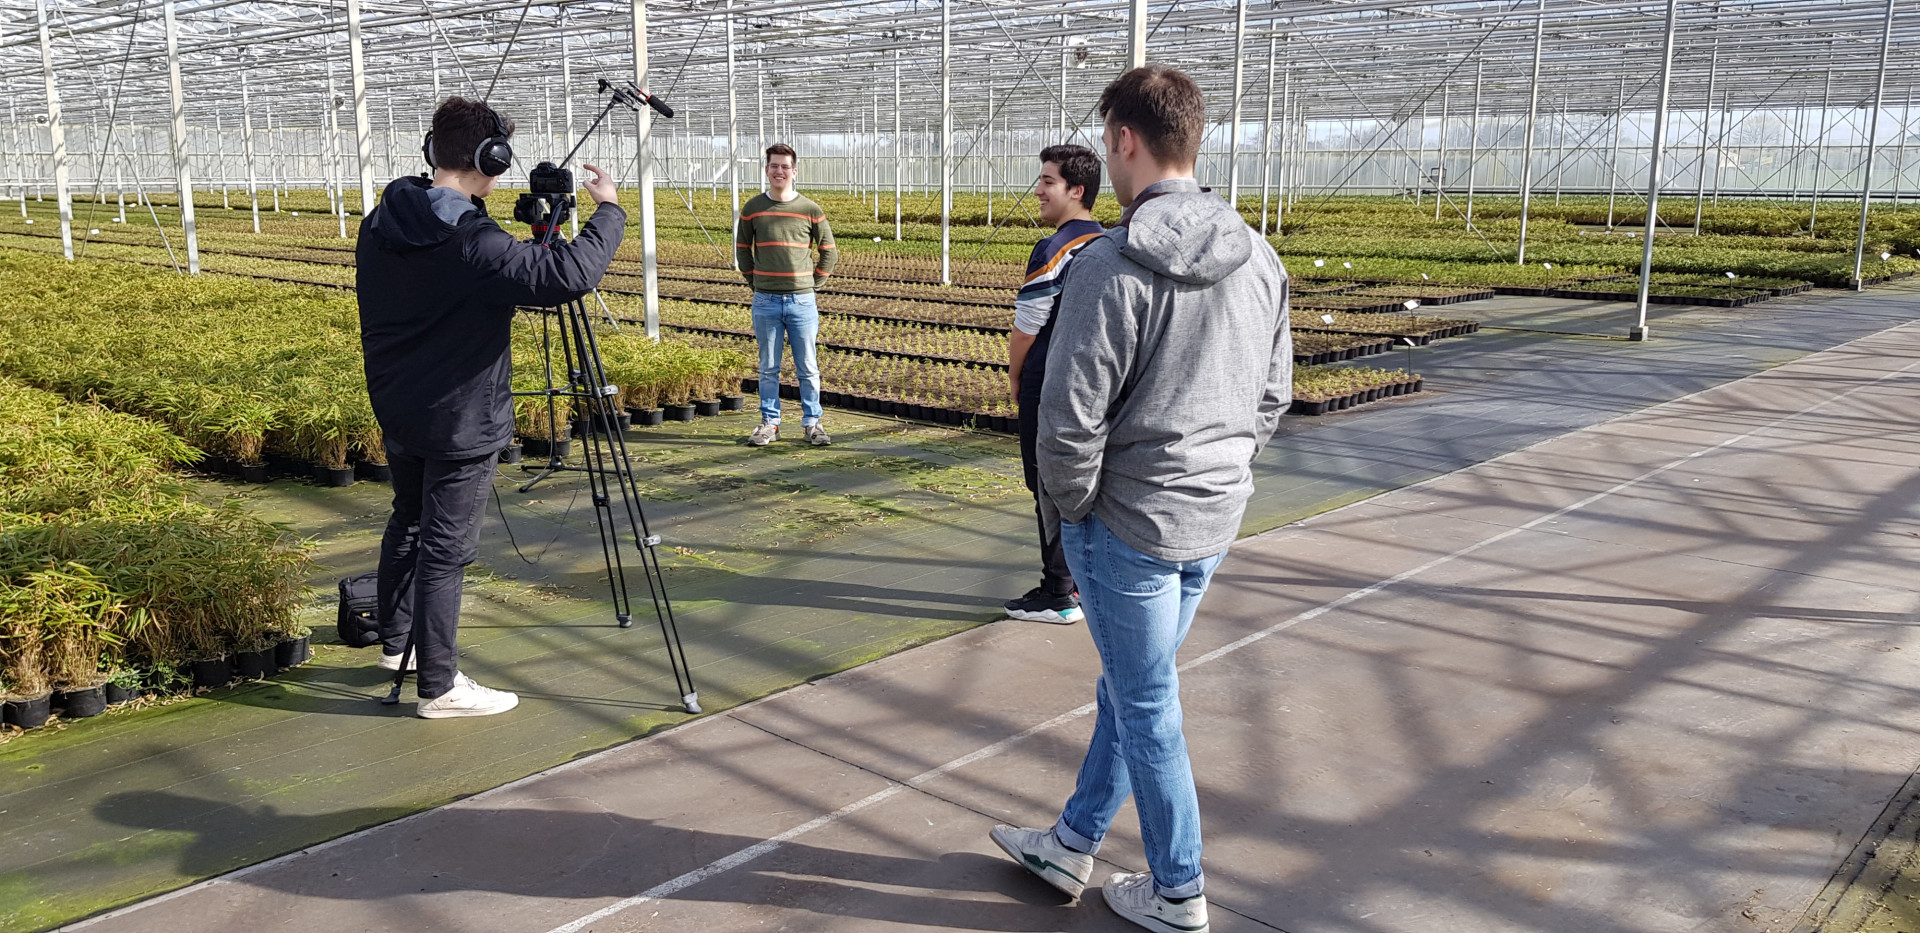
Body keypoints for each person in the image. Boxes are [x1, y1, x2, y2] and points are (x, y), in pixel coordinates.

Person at [988, 66, 1292, 933]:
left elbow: (1066, 419)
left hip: (1126, 527)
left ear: (1123, 139)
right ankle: (1072, 840)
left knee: (1147, 701)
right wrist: (1223, 469)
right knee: (1133, 687)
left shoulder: (1110, 264)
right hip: (1211, 517)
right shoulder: (1258, 255)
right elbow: (1272, 395)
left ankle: (1178, 888)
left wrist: (1077, 507)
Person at [356, 96, 627, 719]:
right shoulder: (469, 241)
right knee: (446, 549)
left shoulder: (384, 218)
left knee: (409, 522)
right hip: (459, 417)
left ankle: (398, 644)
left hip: (398, 406)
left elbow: (501, 270)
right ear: (492, 159)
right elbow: (566, 277)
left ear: (432, 152)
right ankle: (439, 686)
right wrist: (608, 210)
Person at [1003, 145, 1103, 626]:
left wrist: (1016, 375)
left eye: (1047, 181)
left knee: (1046, 482)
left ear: (1076, 191)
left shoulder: (1055, 248)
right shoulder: (1109, 242)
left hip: (1050, 379)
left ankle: (1058, 592)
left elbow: (1028, 326)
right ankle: (1082, 580)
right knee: (1084, 480)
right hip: (1096, 381)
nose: (1038, 191)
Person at [737, 143, 837, 447]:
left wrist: (812, 285)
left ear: (794, 171)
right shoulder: (753, 208)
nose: (779, 171)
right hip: (765, 301)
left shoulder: (810, 210)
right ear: (767, 170)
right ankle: (770, 423)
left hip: (802, 301)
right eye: (774, 166)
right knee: (768, 366)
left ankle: (812, 424)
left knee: (808, 366)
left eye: (785, 166)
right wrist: (758, 284)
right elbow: (743, 252)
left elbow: (829, 253)